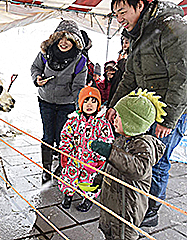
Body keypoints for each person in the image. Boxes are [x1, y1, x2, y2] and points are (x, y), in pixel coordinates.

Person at [107, 0, 187, 227]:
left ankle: (151, 210)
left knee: (158, 161)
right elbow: (129, 77)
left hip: (170, 112)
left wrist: (168, 119)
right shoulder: (139, 34)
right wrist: (114, 105)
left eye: (122, 12)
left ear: (140, 5)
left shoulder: (173, 28)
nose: (119, 18)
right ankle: (134, 200)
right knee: (139, 157)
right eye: (115, 14)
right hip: (145, 110)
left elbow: (183, 78)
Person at [92, 89, 166, 239]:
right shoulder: (121, 139)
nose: (114, 120)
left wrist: (110, 152)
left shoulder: (144, 145)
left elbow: (138, 169)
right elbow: (112, 165)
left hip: (127, 207)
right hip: (112, 201)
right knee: (110, 232)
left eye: (119, 117)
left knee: (123, 235)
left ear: (131, 122)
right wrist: (99, 179)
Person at [31, 19, 87, 184]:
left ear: (75, 41)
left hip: (66, 104)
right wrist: (37, 78)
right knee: (48, 136)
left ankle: (62, 167)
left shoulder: (80, 60)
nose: (64, 43)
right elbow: (34, 68)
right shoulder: (45, 53)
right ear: (55, 38)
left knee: (63, 138)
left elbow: (78, 86)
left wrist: (80, 108)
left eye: (68, 39)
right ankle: (46, 170)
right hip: (45, 100)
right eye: (61, 38)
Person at [58, 86, 114, 211]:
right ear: (80, 103)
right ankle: (68, 195)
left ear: (98, 104)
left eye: (93, 101)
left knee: (89, 181)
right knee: (69, 177)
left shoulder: (102, 123)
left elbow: (106, 141)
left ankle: (88, 198)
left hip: (91, 160)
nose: (89, 105)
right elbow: (66, 135)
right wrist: (65, 152)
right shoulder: (73, 120)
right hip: (74, 157)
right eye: (86, 101)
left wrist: (100, 160)